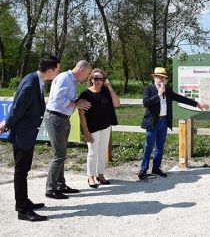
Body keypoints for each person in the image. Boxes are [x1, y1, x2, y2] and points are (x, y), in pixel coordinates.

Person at [0, 55, 61, 221]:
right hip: (23, 135)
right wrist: (5, 124)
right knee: (21, 172)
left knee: (24, 170)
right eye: (57, 70)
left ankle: (23, 201)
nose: (58, 72)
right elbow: (17, 109)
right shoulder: (30, 84)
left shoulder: (34, 79)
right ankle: (22, 209)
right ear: (50, 71)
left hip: (27, 133)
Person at [138, 67, 208, 180]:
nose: (161, 79)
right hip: (152, 122)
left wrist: (196, 104)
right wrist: (159, 95)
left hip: (163, 122)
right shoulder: (148, 89)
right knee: (148, 147)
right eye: (159, 77)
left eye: (163, 77)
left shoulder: (167, 90)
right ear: (154, 77)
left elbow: (180, 98)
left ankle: (156, 169)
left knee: (159, 147)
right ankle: (143, 169)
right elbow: (146, 103)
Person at [44, 60, 92, 199]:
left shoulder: (70, 79)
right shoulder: (65, 78)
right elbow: (58, 99)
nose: (87, 77)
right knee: (59, 155)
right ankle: (50, 189)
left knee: (61, 154)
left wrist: (76, 102)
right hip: (55, 118)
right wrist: (77, 103)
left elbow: (65, 98)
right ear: (82, 70)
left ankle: (60, 185)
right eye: (88, 73)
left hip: (62, 118)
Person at [78, 68, 120, 188]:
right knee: (92, 152)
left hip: (105, 126)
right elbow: (81, 114)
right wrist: (86, 132)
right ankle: (90, 176)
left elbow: (117, 104)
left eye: (101, 79)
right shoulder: (85, 94)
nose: (99, 81)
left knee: (102, 152)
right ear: (91, 79)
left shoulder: (106, 91)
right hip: (92, 128)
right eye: (96, 78)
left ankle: (100, 174)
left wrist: (110, 88)